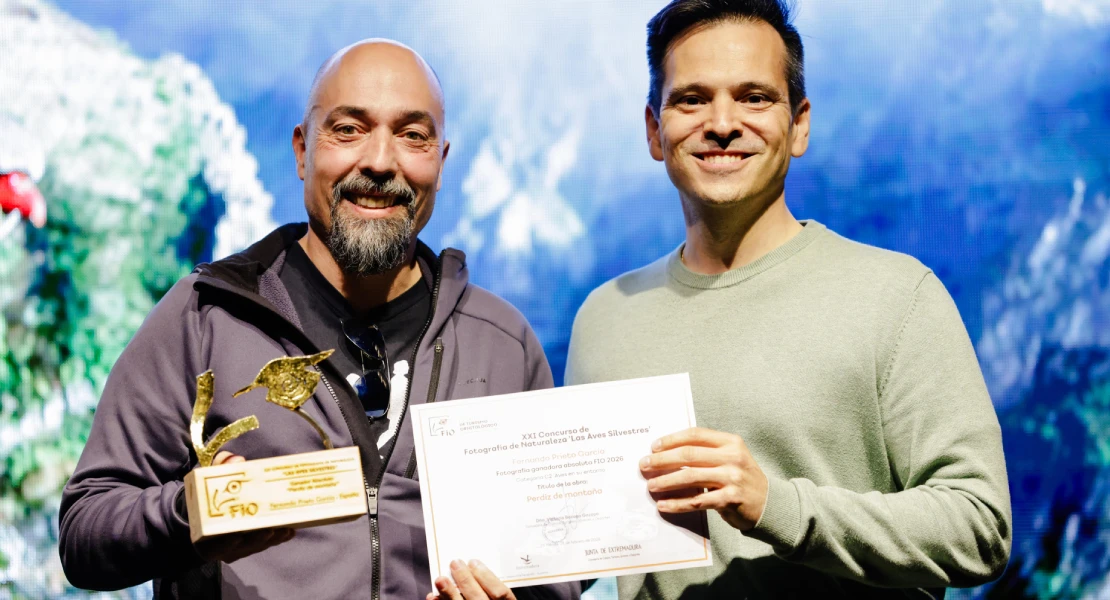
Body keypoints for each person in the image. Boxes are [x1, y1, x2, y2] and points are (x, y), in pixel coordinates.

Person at [59, 39, 579, 600]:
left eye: (412, 135)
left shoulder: (503, 343)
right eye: (349, 129)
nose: (381, 162)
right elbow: (85, 532)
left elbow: (555, 569)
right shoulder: (205, 316)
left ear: (441, 161)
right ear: (302, 150)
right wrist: (192, 512)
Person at [564, 1, 1012, 598]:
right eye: (692, 98)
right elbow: (585, 542)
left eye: (754, 97)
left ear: (799, 124)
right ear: (654, 129)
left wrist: (775, 505)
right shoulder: (604, 315)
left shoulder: (897, 296)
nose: (721, 123)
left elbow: (978, 527)